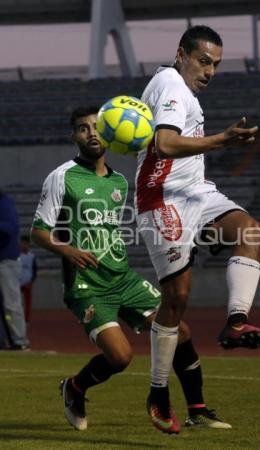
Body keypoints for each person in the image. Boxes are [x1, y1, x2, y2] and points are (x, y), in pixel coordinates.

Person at [31, 106, 231, 434]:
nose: (91, 133)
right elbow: (38, 231)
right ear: (74, 136)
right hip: (87, 286)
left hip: (124, 279)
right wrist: (68, 249)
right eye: (83, 128)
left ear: (109, 133)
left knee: (181, 332)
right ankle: (74, 388)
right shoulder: (62, 176)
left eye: (97, 127)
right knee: (121, 357)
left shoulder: (120, 181)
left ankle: (198, 410)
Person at [135, 25, 260, 433]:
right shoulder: (172, 84)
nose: (210, 70)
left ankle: (236, 321)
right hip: (162, 198)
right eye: (204, 61)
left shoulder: (182, 89)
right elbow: (166, 145)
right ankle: (158, 392)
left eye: (216, 65)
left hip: (196, 193)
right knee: (177, 299)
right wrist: (223, 140)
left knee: (249, 231)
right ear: (182, 55)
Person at [0, 190, 30, 350]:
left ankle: (19, 340)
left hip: (6, 260)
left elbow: (9, 227)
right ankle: (5, 339)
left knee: (11, 302)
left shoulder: (4, 202)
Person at [19, 235, 38, 323]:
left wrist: (31, 281)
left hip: (27, 282)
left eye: (25, 243)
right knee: (17, 302)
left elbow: (35, 270)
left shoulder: (32, 256)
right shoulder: (17, 256)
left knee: (27, 303)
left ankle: (26, 320)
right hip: (18, 282)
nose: (24, 245)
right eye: (22, 243)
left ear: (28, 244)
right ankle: (18, 319)